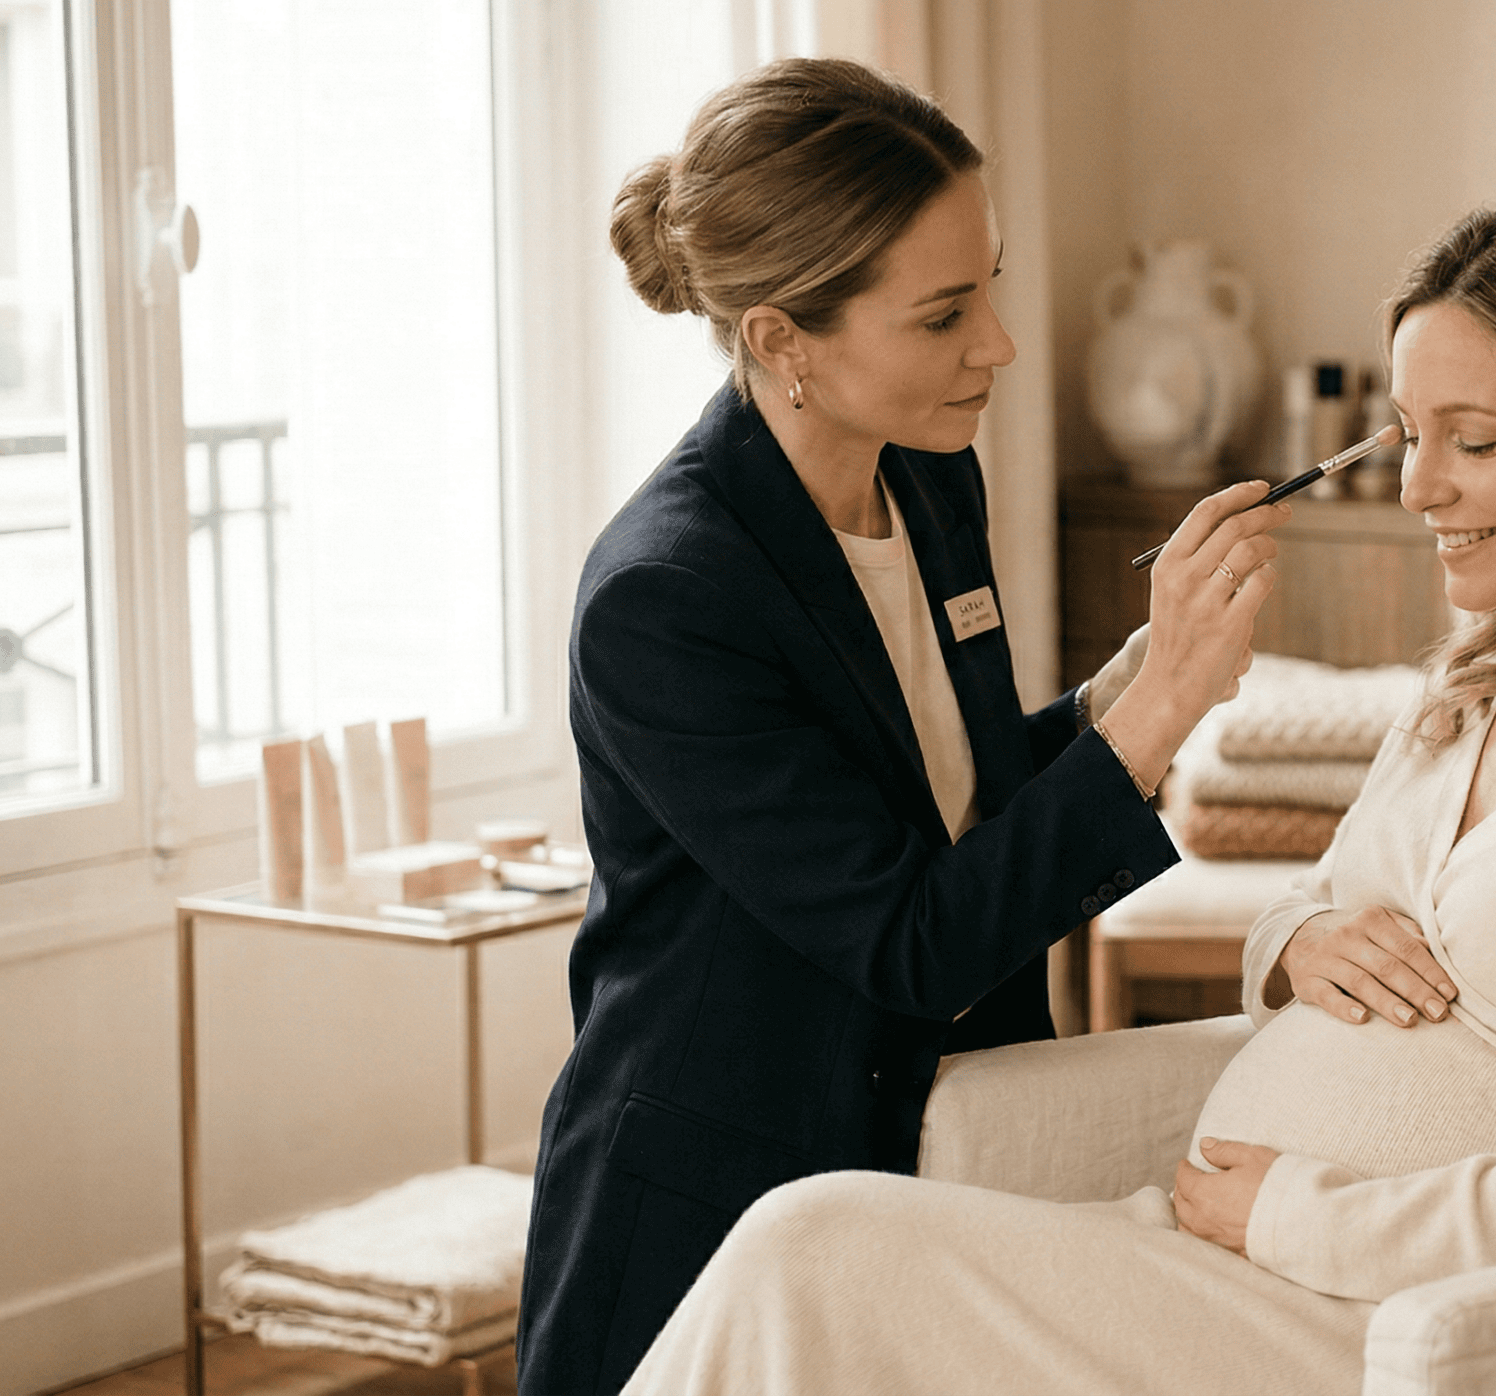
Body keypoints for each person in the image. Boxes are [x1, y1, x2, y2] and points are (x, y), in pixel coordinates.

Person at [616, 191, 1496, 1395]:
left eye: (1474, 442)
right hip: (1230, 1256)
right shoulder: (1477, 689)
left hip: (1393, 1321)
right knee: (812, 1268)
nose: (1416, 488)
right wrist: (1299, 940)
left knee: (816, 1246)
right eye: (1408, 435)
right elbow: (1304, 919)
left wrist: (1304, 1213)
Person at [516, 58, 1293, 1394]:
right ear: (780, 341)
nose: (996, 345)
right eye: (944, 315)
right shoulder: (666, 600)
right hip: (730, 1193)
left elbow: (953, 798)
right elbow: (909, 936)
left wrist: (1130, 688)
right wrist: (1157, 719)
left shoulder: (931, 477)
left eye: (989, 285)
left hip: (947, 1143)